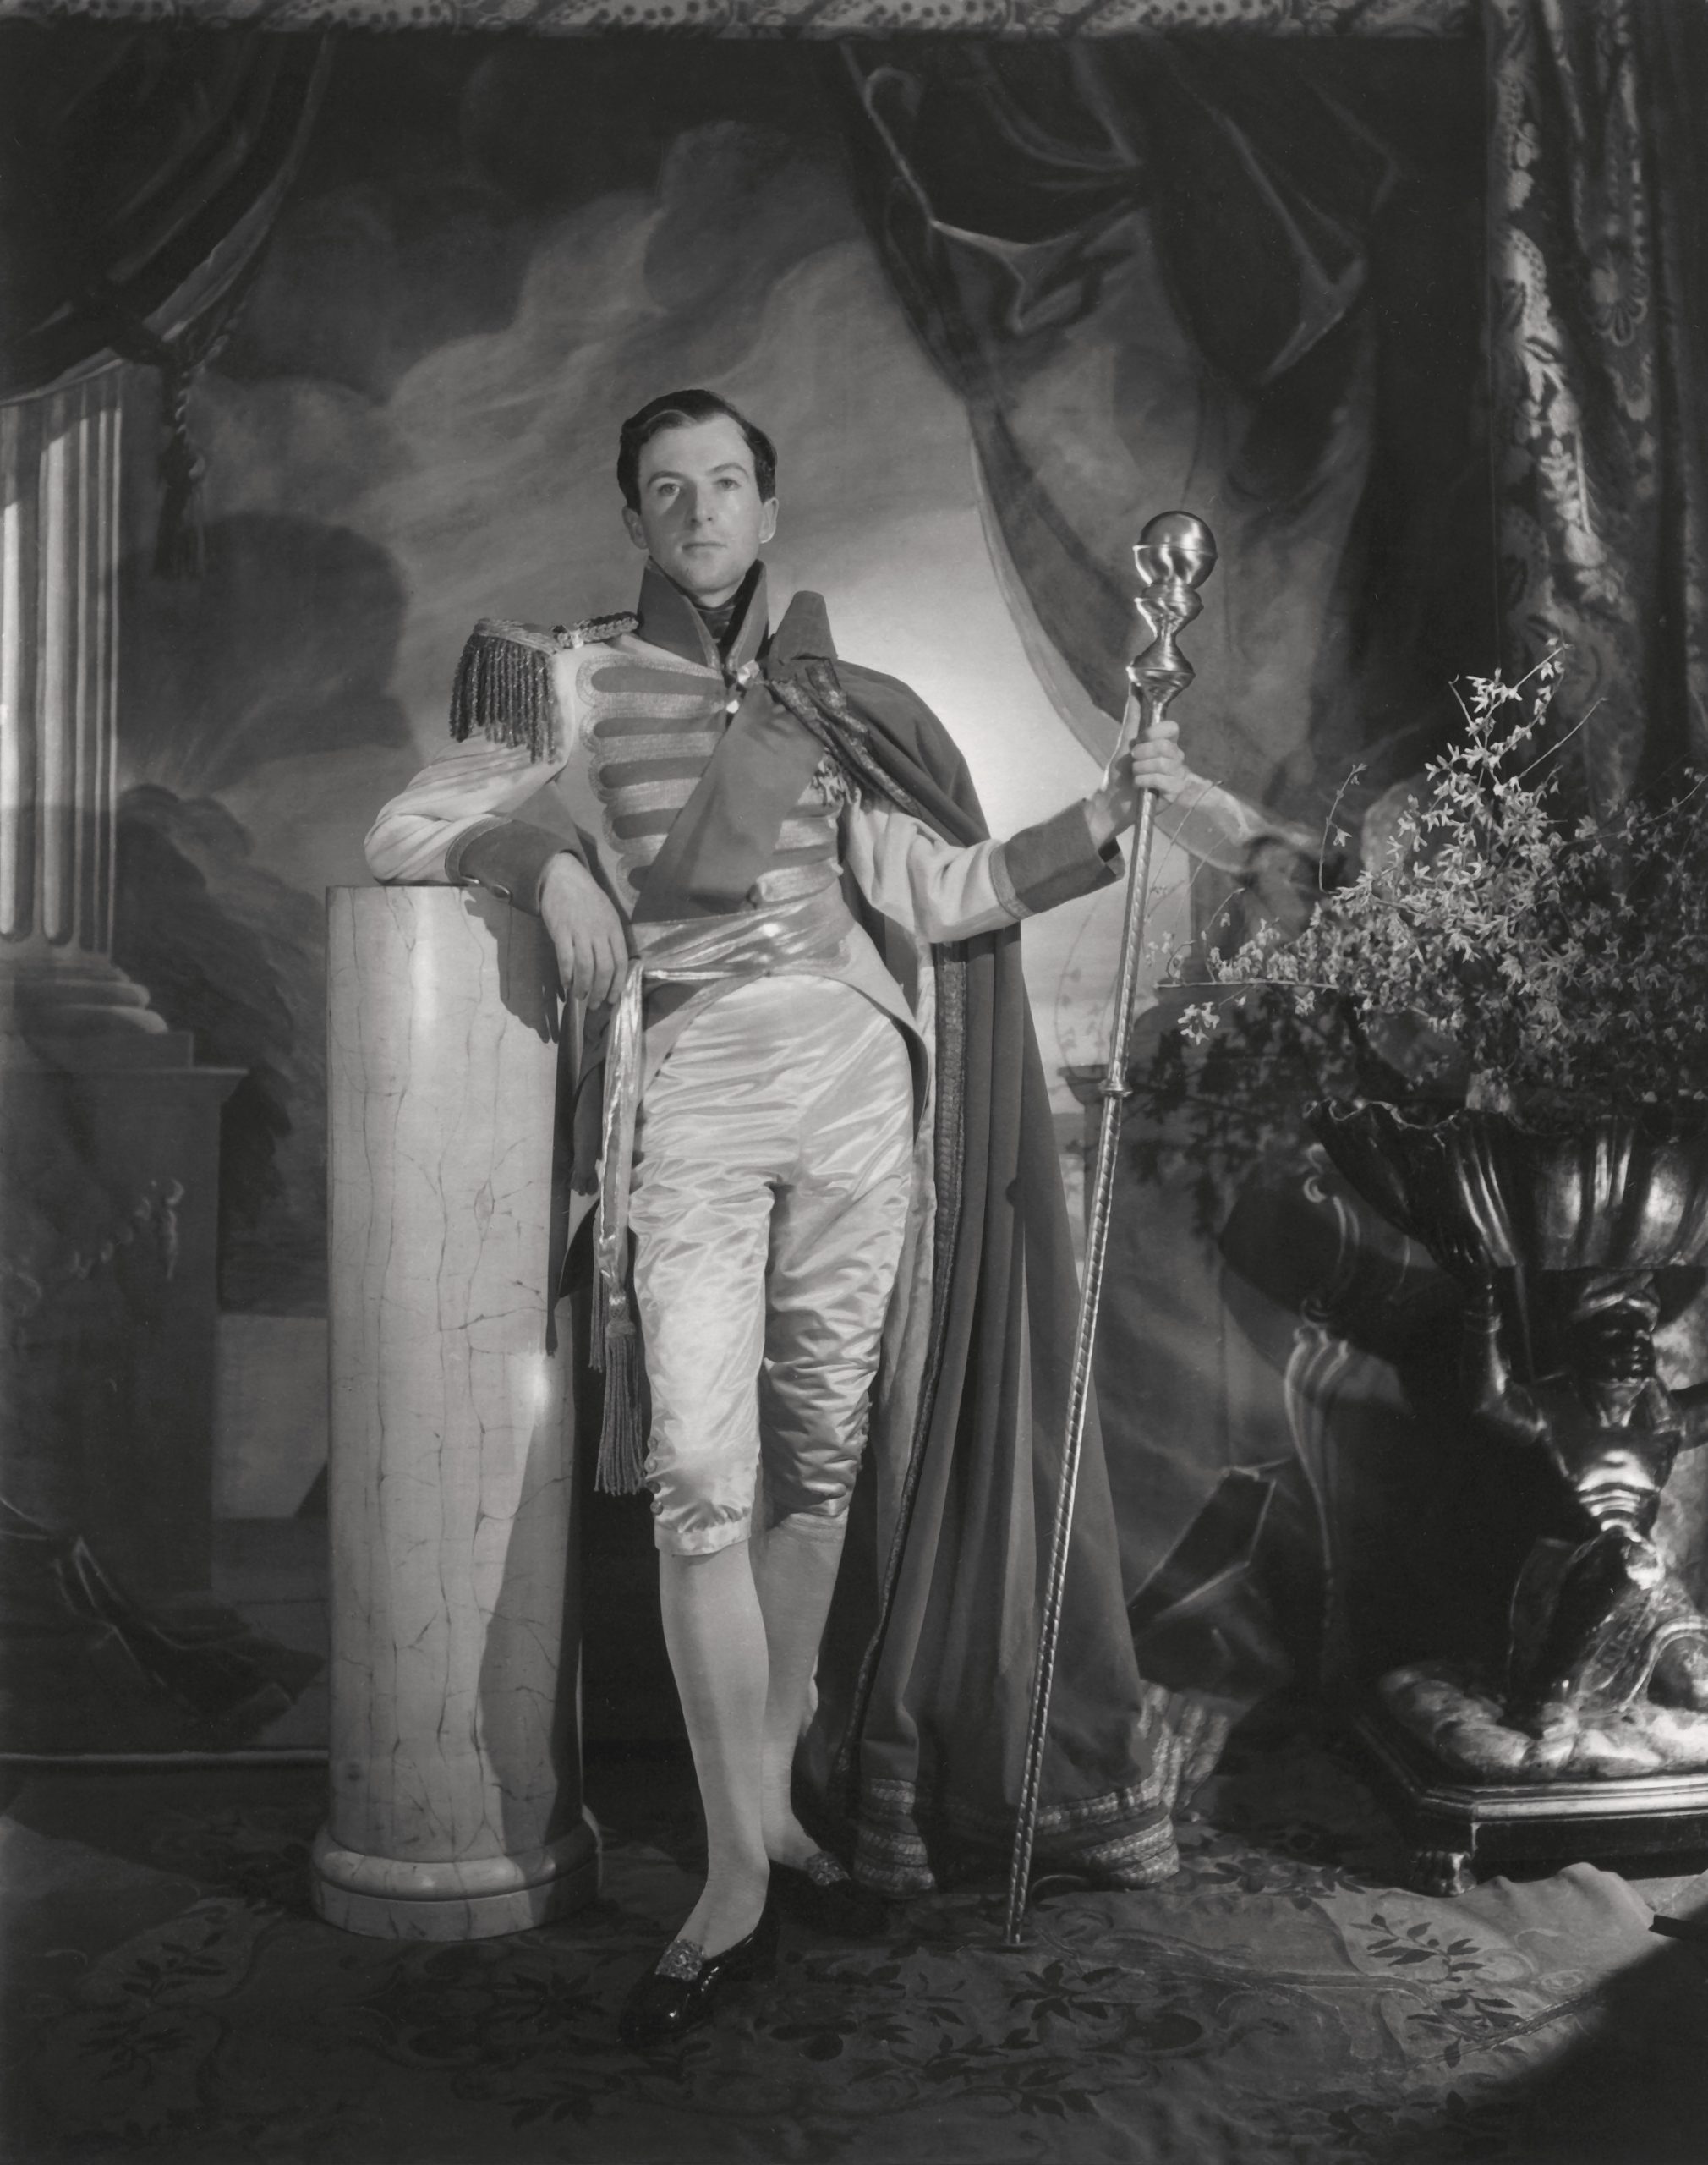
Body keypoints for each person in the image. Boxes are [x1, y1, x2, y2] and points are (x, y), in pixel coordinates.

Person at [365, 387, 1189, 2049]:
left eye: (725, 482)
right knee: (699, 1479)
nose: (699, 512)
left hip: (859, 1093)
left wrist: (1106, 815)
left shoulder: (827, 696)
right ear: (632, 517)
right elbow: (407, 826)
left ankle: (771, 1813)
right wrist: (546, 862)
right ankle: (735, 1871)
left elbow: (936, 890)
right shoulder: (566, 675)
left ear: (765, 503)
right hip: (693, 1092)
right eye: (666, 488)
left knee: (817, 1467)